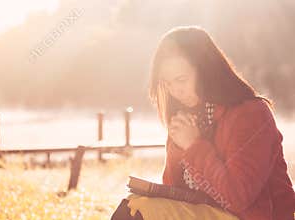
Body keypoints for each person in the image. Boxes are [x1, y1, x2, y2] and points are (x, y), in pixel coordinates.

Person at [110, 26, 295, 220]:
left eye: (181, 80)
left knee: (139, 212)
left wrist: (193, 146)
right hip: (205, 214)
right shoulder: (186, 117)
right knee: (134, 206)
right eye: (168, 83)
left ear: (207, 70)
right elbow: (175, 193)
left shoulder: (250, 114)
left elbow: (238, 199)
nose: (175, 91)